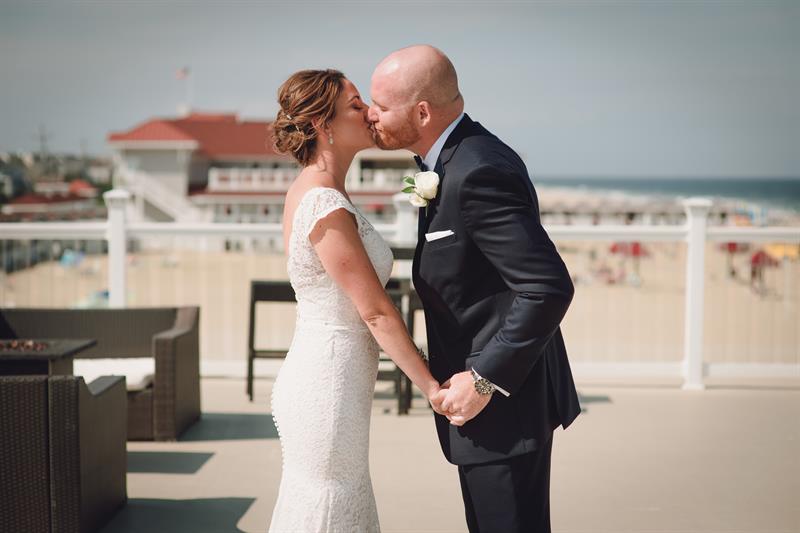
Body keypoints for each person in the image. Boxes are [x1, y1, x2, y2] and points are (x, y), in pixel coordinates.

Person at [368, 45, 582, 533]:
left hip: (503, 407)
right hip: (488, 409)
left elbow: (547, 287)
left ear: (422, 113)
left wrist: (483, 380)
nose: (371, 114)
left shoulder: (477, 169)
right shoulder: (449, 159)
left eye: (381, 104)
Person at [268, 69, 446, 532]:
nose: (369, 112)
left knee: (332, 499)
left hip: (335, 375)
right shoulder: (321, 202)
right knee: (328, 504)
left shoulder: (320, 190)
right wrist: (431, 387)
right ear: (321, 124)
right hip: (327, 382)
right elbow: (375, 311)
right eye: (355, 105)